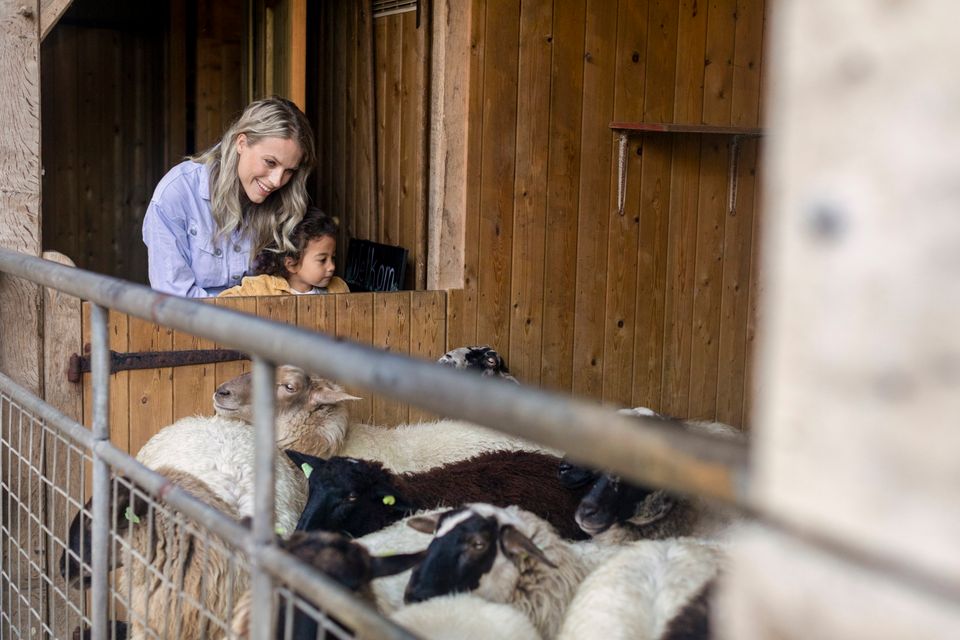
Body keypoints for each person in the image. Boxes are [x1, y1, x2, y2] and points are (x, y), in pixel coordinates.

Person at [142, 96, 316, 297]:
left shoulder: (286, 203)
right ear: (241, 143)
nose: (277, 181)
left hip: (265, 323)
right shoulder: (177, 193)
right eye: (270, 162)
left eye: (289, 171)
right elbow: (174, 297)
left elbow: (297, 288)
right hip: (191, 325)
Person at [218, 210, 349, 297]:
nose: (332, 267)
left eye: (333, 258)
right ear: (291, 264)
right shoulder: (261, 288)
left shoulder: (338, 288)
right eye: (322, 260)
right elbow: (223, 304)